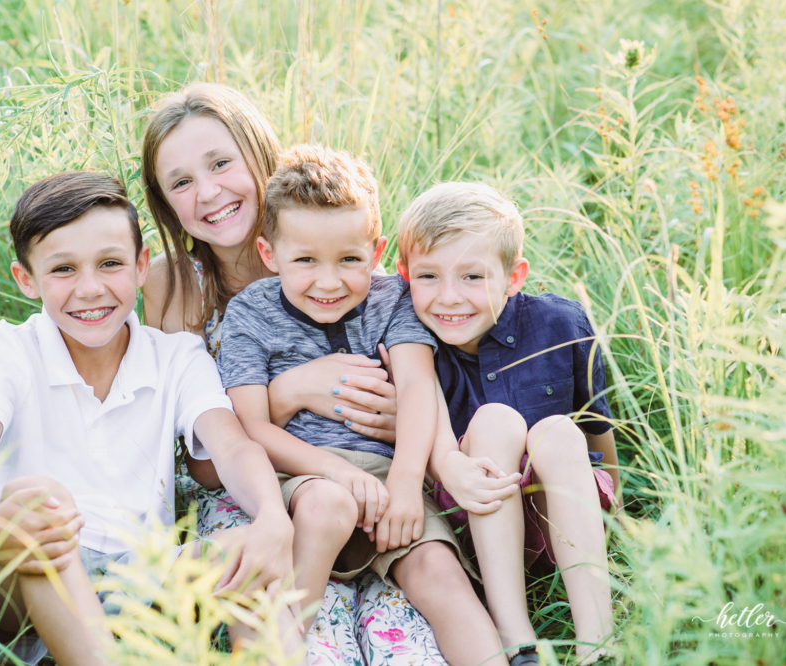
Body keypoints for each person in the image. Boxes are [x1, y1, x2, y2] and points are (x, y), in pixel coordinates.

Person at [0, 172, 299, 666]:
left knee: (246, 553)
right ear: (27, 279)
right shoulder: (7, 351)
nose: (90, 289)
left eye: (110, 264)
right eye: (63, 269)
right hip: (3, 584)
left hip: (135, 582)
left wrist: (273, 520)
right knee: (41, 502)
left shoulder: (176, 356)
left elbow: (233, 447)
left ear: (140, 265)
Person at [140, 82, 442, 662]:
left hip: (376, 483)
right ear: (165, 201)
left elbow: (422, 373)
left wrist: (400, 422)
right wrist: (290, 392)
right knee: (297, 630)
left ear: (259, 155)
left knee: (404, 639)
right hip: (254, 494)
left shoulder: (332, 231)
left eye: (221, 163)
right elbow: (202, 463)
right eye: (180, 181)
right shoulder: (170, 285)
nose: (208, 192)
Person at [219, 145, 521, 666]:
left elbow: (418, 389)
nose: (329, 281)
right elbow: (250, 428)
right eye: (306, 260)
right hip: (302, 477)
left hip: (390, 473)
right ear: (270, 255)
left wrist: (405, 483)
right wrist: (334, 470)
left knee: (438, 572)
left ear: (377, 250)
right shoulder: (251, 312)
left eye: (350, 260)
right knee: (326, 507)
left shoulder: (390, 300)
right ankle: (278, 649)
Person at [396, 181, 621, 664]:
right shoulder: (409, 339)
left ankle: (597, 641)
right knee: (495, 421)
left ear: (512, 276)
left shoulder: (562, 324)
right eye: (428, 277)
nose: (448, 298)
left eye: (472, 277)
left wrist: (616, 512)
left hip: (560, 512)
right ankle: (515, 636)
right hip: (471, 518)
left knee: (559, 431)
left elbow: (597, 431)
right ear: (404, 275)